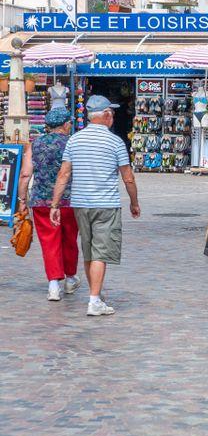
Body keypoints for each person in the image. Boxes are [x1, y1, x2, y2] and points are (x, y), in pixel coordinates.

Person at [49, 96, 140, 317]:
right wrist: (134, 203)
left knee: (89, 251)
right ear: (106, 115)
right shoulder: (115, 142)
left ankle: (95, 295)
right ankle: (94, 300)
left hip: (80, 203)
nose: (114, 117)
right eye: (112, 113)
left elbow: (64, 174)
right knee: (101, 252)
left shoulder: (74, 140)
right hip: (106, 205)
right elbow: (128, 177)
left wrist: (55, 204)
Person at [16, 107, 79, 302]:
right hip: (69, 200)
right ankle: (70, 278)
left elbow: (26, 175)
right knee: (69, 239)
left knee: (49, 242)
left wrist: (22, 200)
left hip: (42, 201)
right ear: (65, 124)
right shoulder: (72, 143)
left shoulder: (35, 145)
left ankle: (53, 284)